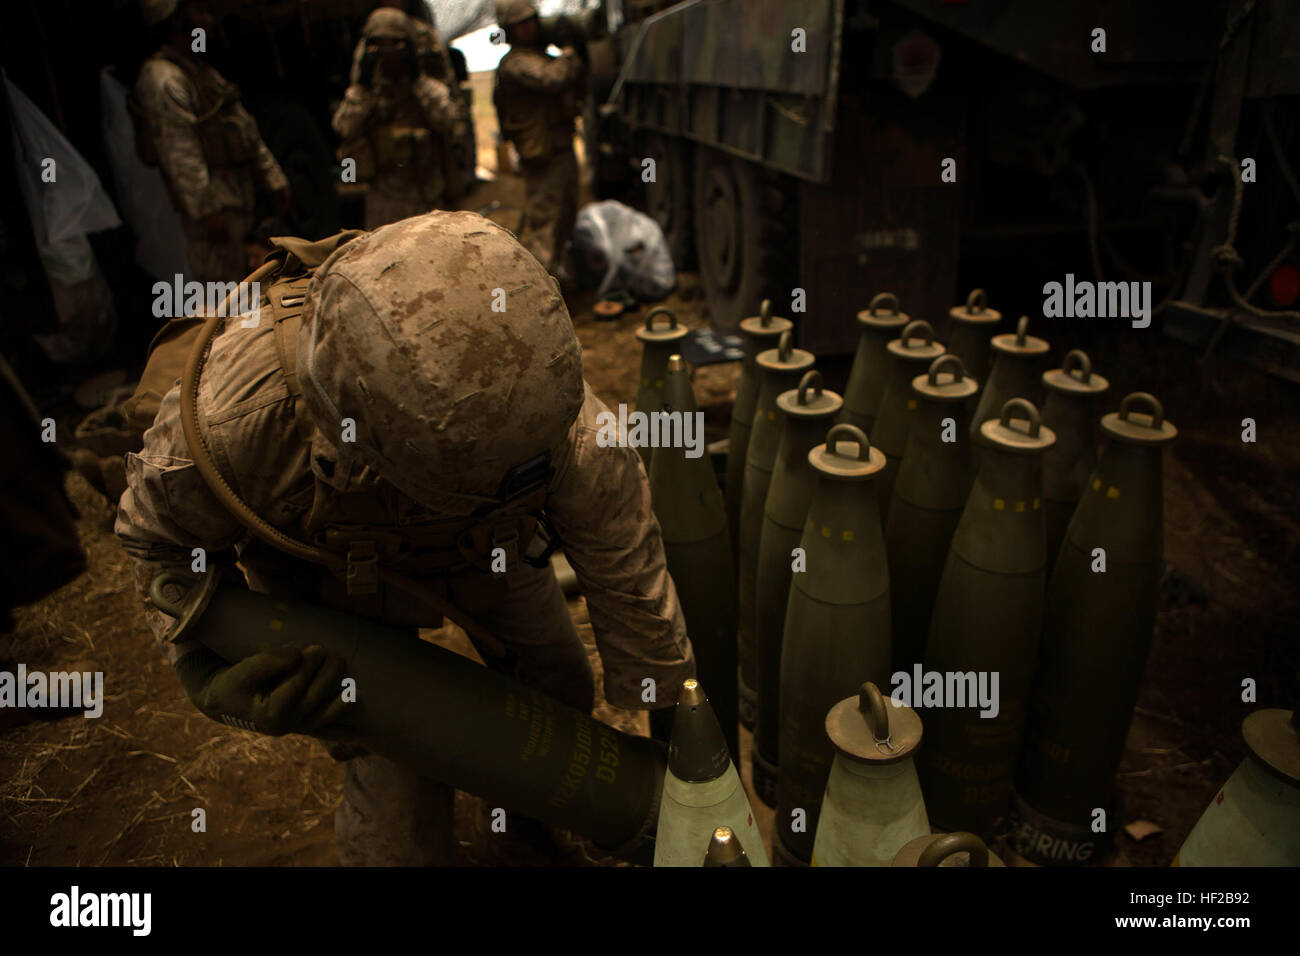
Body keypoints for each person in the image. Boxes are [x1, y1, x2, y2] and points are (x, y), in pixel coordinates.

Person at [115, 210, 695, 864]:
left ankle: (527, 825)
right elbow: (154, 542)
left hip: (490, 550)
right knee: (398, 828)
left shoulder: (567, 436)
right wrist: (197, 671)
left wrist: (686, 769)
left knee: (559, 690)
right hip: (331, 569)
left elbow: (637, 601)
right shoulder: (234, 426)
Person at [132, 0, 290, 284]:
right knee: (221, 296)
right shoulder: (163, 78)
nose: (209, 21)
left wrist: (273, 178)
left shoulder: (202, 72)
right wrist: (207, 211)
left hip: (236, 201)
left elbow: (243, 127)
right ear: (178, 22)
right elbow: (180, 152)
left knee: (247, 289)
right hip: (215, 211)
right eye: (200, 13)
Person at [332, 8, 459, 229]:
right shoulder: (366, 93)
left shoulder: (427, 87)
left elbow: (449, 122)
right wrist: (362, 86)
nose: (388, 54)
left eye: (396, 45)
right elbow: (343, 128)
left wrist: (417, 80)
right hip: (383, 197)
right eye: (379, 45)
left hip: (426, 192)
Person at [493, 0, 584, 276]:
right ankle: (539, 290)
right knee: (545, 226)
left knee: (566, 219)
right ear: (509, 30)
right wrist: (570, 50)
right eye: (521, 24)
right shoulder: (515, 63)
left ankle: (560, 280)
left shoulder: (541, 55)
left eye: (532, 21)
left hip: (561, 149)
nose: (529, 28)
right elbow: (552, 78)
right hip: (542, 156)